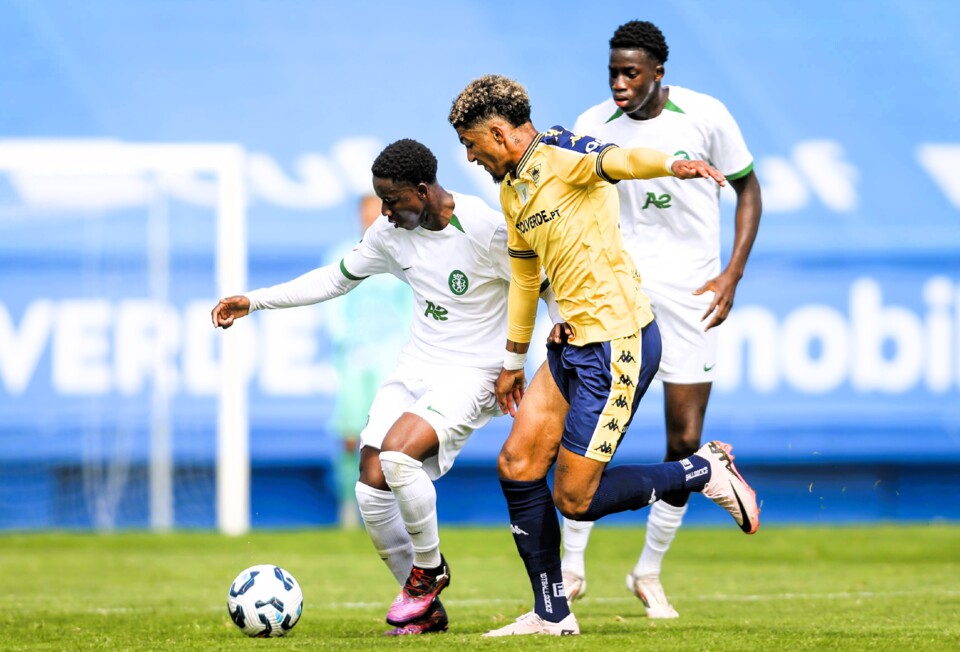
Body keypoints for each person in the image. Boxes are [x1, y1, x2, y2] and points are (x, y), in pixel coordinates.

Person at [448, 74, 760, 637]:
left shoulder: (563, 151)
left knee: (575, 498)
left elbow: (622, 159)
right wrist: (513, 362)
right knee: (517, 464)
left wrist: (674, 165)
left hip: (618, 342)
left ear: (497, 133)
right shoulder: (512, 190)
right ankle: (552, 613)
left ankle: (702, 469)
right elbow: (526, 279)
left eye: (471, 144)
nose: (470, 157)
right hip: (570, 343)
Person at [211, 138, 557, 636]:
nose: (386, 212)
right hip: (416, 367)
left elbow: (543, 286)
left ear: (423, 190)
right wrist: (255, 301)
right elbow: (334, 279)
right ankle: (425, 609)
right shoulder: (390, 233)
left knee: (398, 456)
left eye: (392, 200)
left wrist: (528, 356)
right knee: (370, 484)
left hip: (474, 373)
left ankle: (429, 570)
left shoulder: (484, 229)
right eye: (381, 201)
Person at [560, 20, 764, 619]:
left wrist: (732, 273)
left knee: (684, 438)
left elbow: (749, 189)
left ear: (658, 72)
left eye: (631, 73)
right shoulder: (593, 124)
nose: (620, 84)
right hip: (618, 292)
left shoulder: (705, 116)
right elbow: (569, 205)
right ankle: (571, 568)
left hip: (693, 294)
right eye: (613, 73)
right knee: (595, 429)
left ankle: (647, 571)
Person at [324, 194, 412, 530]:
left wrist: (404, 348)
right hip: (354, 357)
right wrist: (345, 340)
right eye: (366, 212)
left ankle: (390, 508)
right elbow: (331, 304)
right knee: (351, 434)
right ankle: (348, 504)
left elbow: (410, 305)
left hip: (391, 357)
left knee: (390, 435)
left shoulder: (402, 254)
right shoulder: (342, 254)